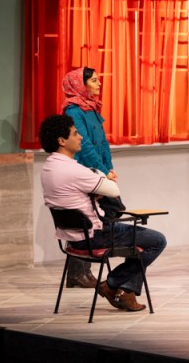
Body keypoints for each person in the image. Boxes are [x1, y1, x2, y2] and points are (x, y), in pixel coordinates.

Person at [40, 114, 167, 312]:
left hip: (72, 238)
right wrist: (100, 177)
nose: (80, 137)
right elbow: (113, 190)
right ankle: (111, 284)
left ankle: (127, 292)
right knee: (157, 240)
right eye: (75, 134)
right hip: (94, 236)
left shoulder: (48, 168)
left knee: (137, 239)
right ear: (62, 141)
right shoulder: (73, 170)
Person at [60, 66, 116, 289]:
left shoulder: (91, 107)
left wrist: (109, 168)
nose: (99, 84)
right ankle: (77, 273)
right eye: (94, 81)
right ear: (80, 84)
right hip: (83, 171)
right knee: (82, 220)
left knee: (96, 217)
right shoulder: (73, 111)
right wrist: (102, 170)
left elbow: (102, 142)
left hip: (99, 171)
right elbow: (85, 147)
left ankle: (83, 272)